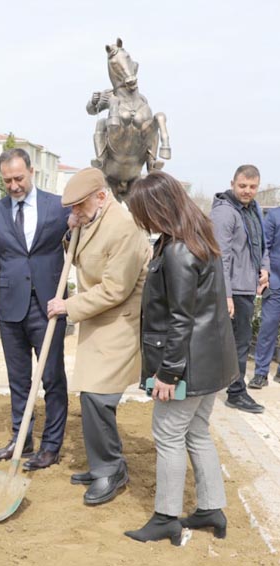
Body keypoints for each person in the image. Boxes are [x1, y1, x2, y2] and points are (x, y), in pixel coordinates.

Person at [123, 171, 237, 544]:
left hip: (185, 364)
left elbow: (180, 318)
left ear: (157, 208)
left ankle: (165, 517)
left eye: (142, 212)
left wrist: (168, 374)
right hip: (212, 361)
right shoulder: (198, 237)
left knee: (168, 435)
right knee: (197, 432)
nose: (141, 221)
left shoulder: (177, 250)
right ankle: (210, 509)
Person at [46, 168, 150, 505]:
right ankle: (102, 463)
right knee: (90, 396)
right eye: (72, 208)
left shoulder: (123, 228)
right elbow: (81, 256)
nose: (73, 212)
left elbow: (116, 289)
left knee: (99, 397)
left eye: (78, 206)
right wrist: (71, 231)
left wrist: (67, 306)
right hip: (97, 321)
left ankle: (110, 470)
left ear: (101, 197)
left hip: (119, 322)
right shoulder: (92, 220)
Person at [0, 148, 71, 470]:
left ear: (31, 171)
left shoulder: (59, 207)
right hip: (9, 309)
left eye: (19, 178)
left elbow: (79, 242)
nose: (14, 185)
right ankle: (21, 439)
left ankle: (50, 446)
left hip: (49, 307)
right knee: (18, 379)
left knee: (52, 378)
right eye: (8, 181)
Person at [210, 164, 267, 414]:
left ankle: (229, 387)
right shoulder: (225, 213)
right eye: (242, 186)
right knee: (237, 344)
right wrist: (226, 294)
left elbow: (262, 244)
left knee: (239, 342)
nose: (247, 191)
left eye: (252, 187)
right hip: (234, 289)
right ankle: (236, 392)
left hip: (247, 287)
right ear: (232, 183)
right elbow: (220, 256)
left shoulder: (252, 209)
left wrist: (264, 269)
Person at [249, 204, 280, 388]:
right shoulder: (274, 216)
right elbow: (264, 247)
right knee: (268, 326)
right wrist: (264, 274)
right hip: (275, 282)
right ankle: (261, 373)